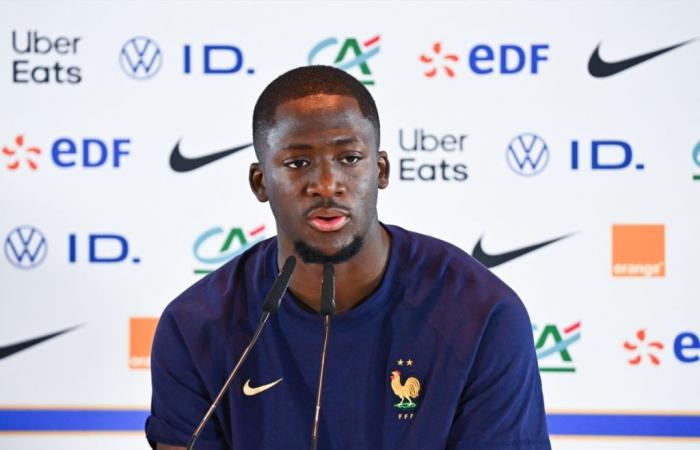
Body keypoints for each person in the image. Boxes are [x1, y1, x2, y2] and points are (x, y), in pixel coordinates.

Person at [146, 65, 551, 450]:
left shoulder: (480, 315)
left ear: (381, 170)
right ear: (260, 182)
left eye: (350, 159)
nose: (326, 184)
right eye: (297, 163)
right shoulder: (195, 325)